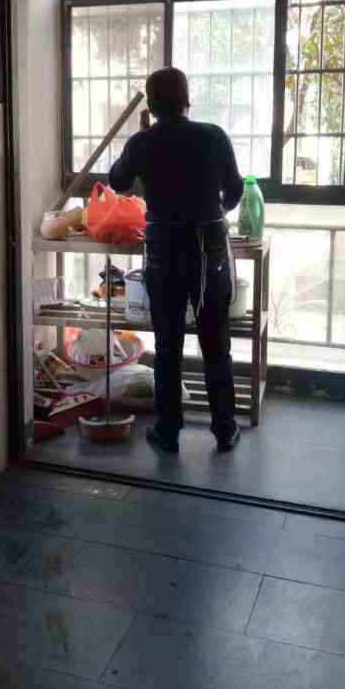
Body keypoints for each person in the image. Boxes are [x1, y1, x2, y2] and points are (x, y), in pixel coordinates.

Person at [109, 66, 244, 454]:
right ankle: (225, 429)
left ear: (151, 105)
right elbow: (234, 189)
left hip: (165, 249)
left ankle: (168, 432)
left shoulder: (143, 142)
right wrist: (214, 211)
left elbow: (118, 182)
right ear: (187, 100)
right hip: (208, 248)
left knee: (168, 344)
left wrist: (140, 140)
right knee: (215, 342)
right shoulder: (214, 136)